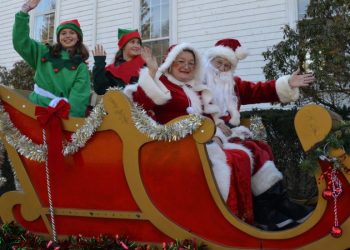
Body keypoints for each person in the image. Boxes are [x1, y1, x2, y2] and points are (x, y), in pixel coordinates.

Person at [123, 43, 257, 224]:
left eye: (191, 63)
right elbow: (141, 109)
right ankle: (219, 217)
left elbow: (209, 120)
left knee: (240, 155)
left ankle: (240, 218)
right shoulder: (161, 82)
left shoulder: (196, 88)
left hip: (200, 143)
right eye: (181, 61)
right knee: (225, 158)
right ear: (171, 63)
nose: (186, 66)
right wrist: (152, 73)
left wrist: (216, 136)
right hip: (170, 147)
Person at [202, 38, 315, 230]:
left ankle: (276, 203)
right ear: (209, 61)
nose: (221, 68)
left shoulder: (234, 85)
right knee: (251, 149)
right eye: (218, 62)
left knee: (261, 147)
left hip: (229, 136)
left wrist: (288, 82)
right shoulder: (197, 83)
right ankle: (265, 211)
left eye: (227, 65)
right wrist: (212, 127)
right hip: (207, 139)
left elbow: (260, 90)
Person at [13, 0, 91, 117]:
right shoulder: (43, 52)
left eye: (72, 33)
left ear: (78, 38)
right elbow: (20, 43)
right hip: (34, 109)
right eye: (63, 33)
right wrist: (24, 11)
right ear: (59, 38)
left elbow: (78, 99)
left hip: (60, 114)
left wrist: (70, 123)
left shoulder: (81, 67)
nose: (68, 36)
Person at [92, 28, 145, 94]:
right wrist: (99, 63)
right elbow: (101, 90)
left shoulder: (145, 66)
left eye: (138, 43)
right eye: (132, 42)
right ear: (123, 46)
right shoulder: (112, 70)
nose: (137, 46)